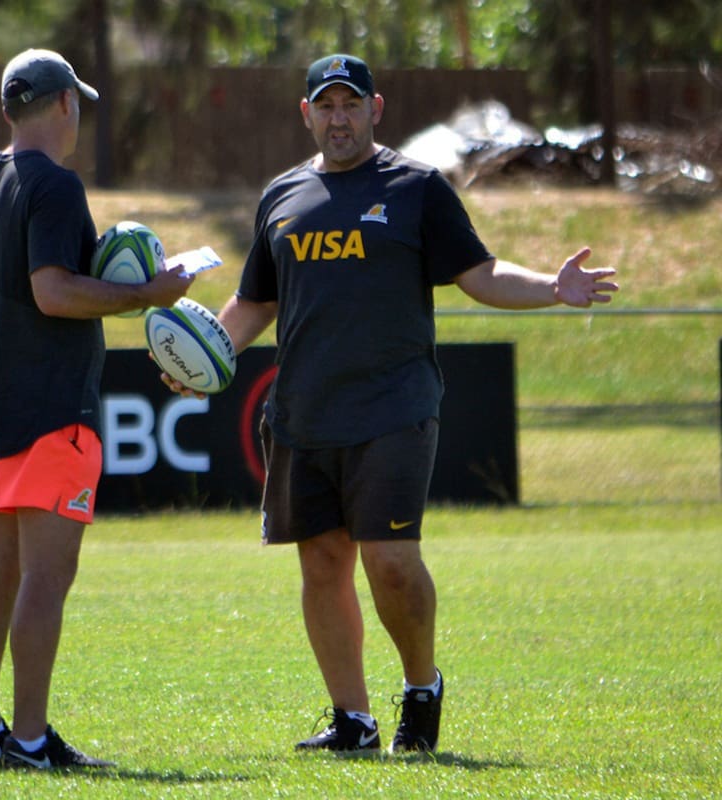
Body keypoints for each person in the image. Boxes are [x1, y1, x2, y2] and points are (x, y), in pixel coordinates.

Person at [168, 54, 619, 755]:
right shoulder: (283, 195)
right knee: (321, 562)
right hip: (303, 411)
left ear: (376, 109)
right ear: (307, 112)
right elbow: (256, 300)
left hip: (393, 406)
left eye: (352, 104)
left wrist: (552, 288)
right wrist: (203, 359)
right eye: (327, 105)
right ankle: (353, 721)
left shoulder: (416, 188)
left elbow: (481, 273)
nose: (339, 117)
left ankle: (420, 688)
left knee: (390, 560)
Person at [0, 48, 194, 769]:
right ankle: (28, 740)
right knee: (44, 579)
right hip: (53, 406)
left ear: (7, 108)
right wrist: (144, 295)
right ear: (64, 105)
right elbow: (54, 291)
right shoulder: (54, 185)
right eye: (78, 103)